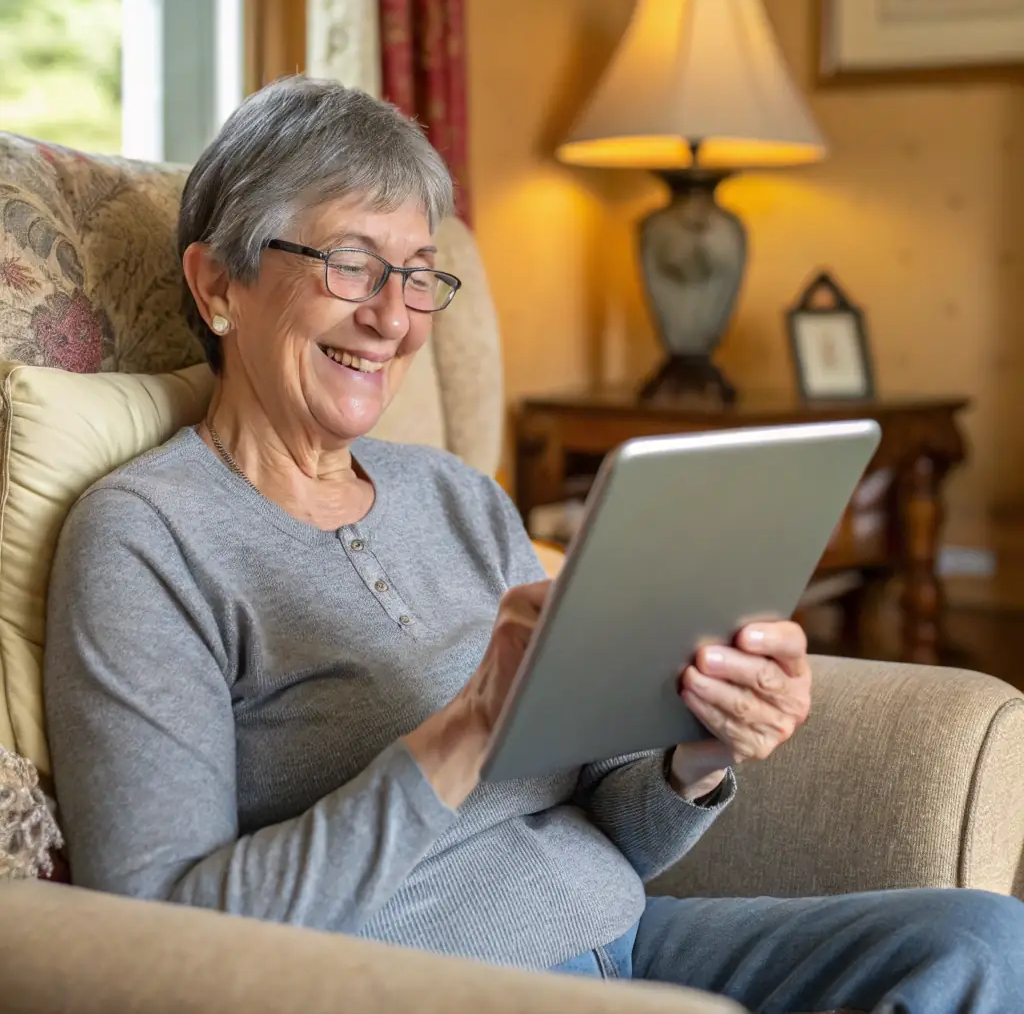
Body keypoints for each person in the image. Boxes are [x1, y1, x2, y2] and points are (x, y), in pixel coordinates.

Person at [45, 78, 1024, 1014]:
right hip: (423, 985)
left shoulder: (459, 498)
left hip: (634, 945)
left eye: (419, 274)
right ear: (220, 281)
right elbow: (159, 928)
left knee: (985, 944)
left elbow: (611, 822)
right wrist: (463, 732)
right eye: (350, 264)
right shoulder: (147, 536)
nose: (393, 318)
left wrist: (698, 751)